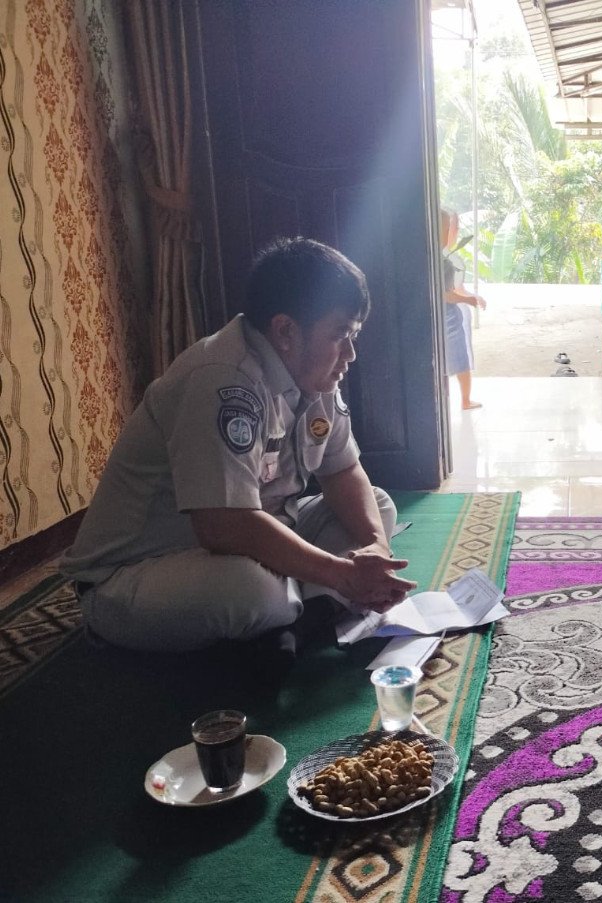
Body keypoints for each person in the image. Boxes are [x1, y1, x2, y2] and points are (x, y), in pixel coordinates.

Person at [61, 237, 417, 668]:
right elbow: (223, 526)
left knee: (377, 507)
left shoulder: (314, 373)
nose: (351, 353)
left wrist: (375, 548)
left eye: (353, 335)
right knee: (252, 592)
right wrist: (340, 574)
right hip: (137, 572)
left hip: (249, 540)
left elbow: (343, 472)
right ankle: (305, 609)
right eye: (340, 334)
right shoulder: (222, 379)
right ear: (285, 331)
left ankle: (296, 623)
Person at [440, 208, 486, 410]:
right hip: (448, 317)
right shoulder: (444, 262)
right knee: (460, 360)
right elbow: (446, 294)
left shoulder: (442, 258)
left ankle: (460, 399)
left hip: (444, 317)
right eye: (449, 228)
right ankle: (465, 400)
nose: (452, 232)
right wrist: (468, 300)